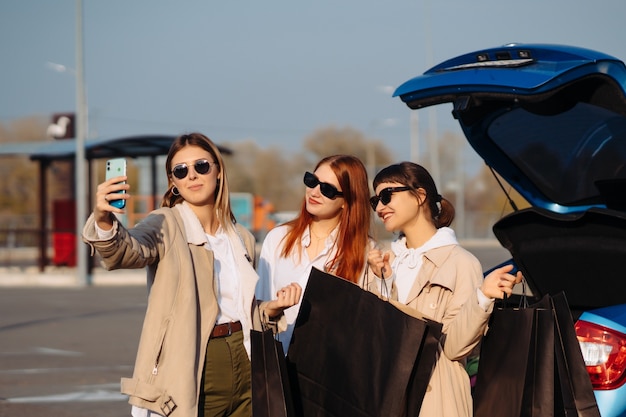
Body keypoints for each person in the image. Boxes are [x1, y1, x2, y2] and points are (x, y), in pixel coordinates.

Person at [82, 132, 301, 417]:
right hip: (196, 363)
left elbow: (238, 309)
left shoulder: (241, 237)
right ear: (173, 182)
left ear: (219, 171)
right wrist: (103, 218)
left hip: (246, 359)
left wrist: (269, 309)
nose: (192, 176)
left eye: (201, 166)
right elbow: (127, 252)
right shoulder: (165, 223)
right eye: (181, 171)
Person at [366, 161, 522, 417]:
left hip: (436, 402)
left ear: (419, 196)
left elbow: (456, 349)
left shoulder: (461, 262)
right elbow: (374, 341)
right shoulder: (381, 262)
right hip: (384, 399)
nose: (380, 208)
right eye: (376, 201)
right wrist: (382, 281)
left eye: (386, 196)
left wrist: (482, 297)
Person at [256, 154, 372, 354]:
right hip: (279, 366)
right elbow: (258, 309)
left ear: (348, 200)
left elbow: (368, 325)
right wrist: (275, 307)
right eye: (312, 181)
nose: (314, 192)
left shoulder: (366, 251)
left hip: (332, 373)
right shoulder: (278, 238)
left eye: (327, 189)